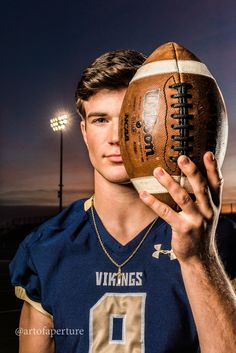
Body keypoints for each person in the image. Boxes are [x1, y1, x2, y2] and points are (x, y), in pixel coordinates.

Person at [9, 49, 236, 353]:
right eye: (100, 119)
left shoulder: (219, 240)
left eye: (131, 118)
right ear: (84, 131)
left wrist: (199, 259)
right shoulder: (47, 246)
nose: (116, 136)